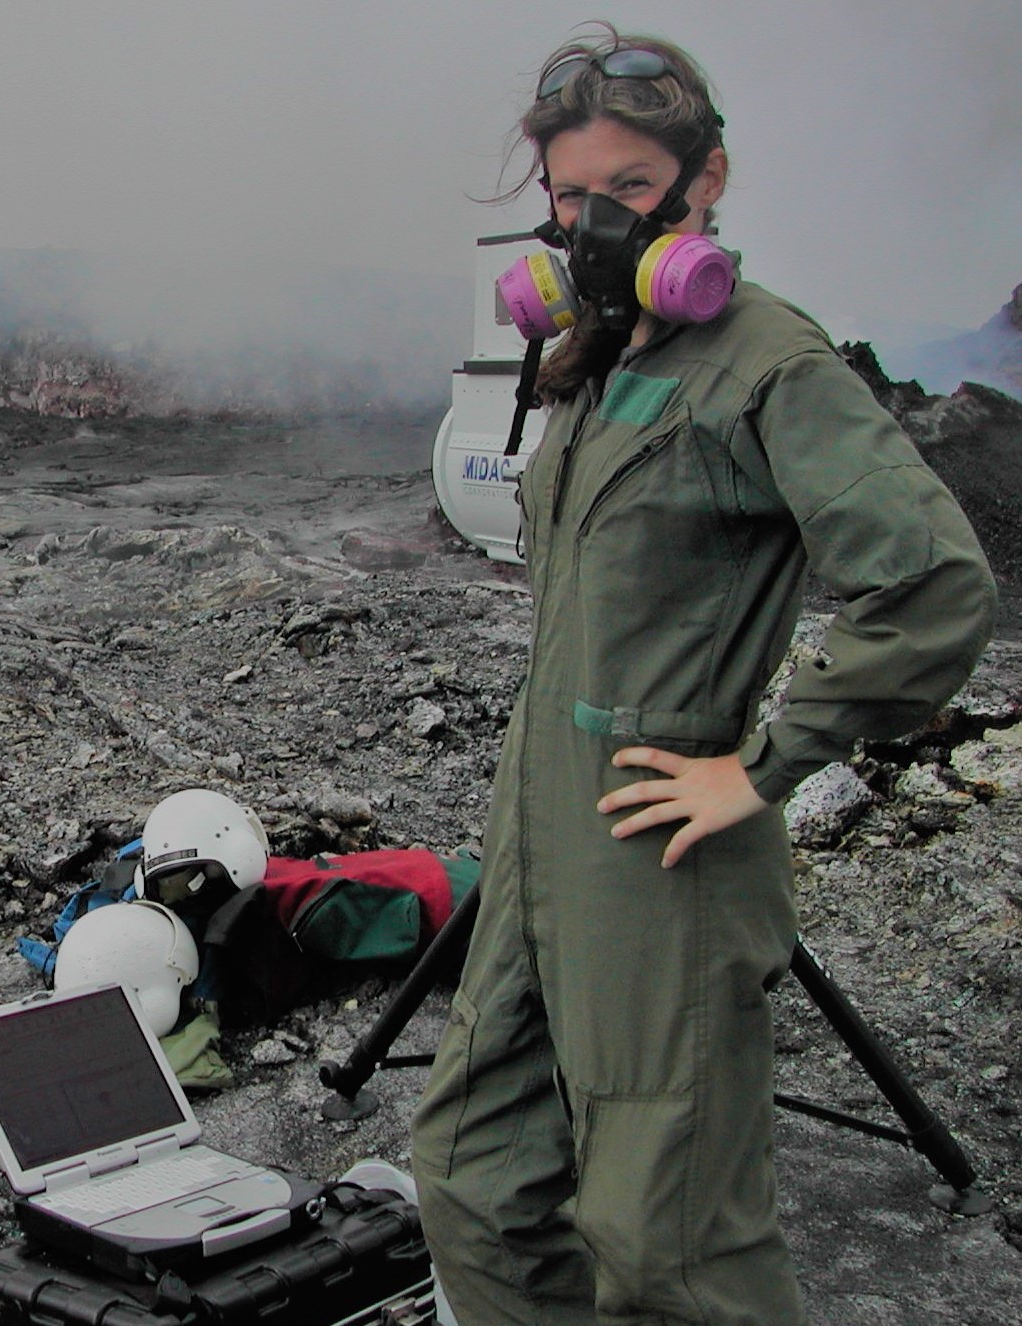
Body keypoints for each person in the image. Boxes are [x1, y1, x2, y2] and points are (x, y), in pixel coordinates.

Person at [407, 25, 996, 1326]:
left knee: (665, 1246)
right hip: (539, 830)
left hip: (654, 848)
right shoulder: (603, 355)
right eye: (567, 198)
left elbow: (934, 584)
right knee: (467, 1176)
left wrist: (766, 764)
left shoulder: (767, 364)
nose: (590, 223)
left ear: (703, 182)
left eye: (625, 190)